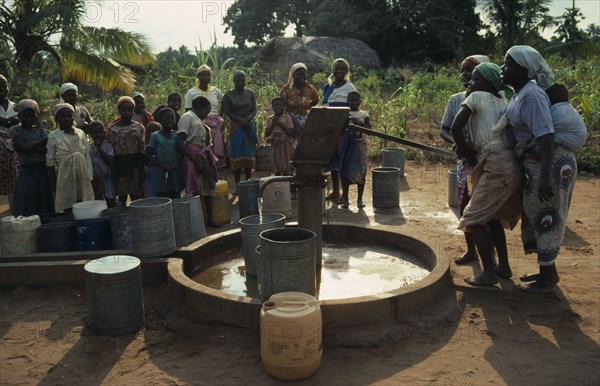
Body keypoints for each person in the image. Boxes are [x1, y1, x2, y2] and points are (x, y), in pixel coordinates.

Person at [501, 45, 575, 293]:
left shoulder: (532, 95)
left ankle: (545, 280)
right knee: (536, 214)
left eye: (508, 64)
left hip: (548, 163)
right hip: (537, 162)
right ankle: (548, 274)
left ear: (525, 70)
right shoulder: (521, 93)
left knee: (547, 215)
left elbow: (546, 136)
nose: (503, 68)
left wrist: (544, 176)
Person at [451, 63, 522, 286]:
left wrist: (465, 154)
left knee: (473, 217)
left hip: (494, 161)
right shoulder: (503, 101)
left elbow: (455, 127)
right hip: (510, 162)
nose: (470, 83)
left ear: (487, 83)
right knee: (491, 217)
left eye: (475, 79)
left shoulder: (475, 97)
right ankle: (504, 266)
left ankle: (489, 272)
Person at [439, 55, 490, 265]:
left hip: (487, 160)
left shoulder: (491, 99)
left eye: (470, 71)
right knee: (465, 204)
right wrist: (457, 143)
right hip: (465, 162)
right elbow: (445, 129)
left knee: (488, 208)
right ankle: (472, 250)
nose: (464, 75)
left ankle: (490, 254)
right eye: (462, 70)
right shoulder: (456, 99)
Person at [177, 95, 219, 226]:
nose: (207, 114)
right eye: (207, 110)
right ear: (200, 108)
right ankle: (196, 222)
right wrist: (194, 159)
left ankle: (209, 220)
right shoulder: (187, 117)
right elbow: (180, 141)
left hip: (202, 154)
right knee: (194, 189)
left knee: (207, 188)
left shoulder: (199, 120)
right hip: (192, 156)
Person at [9, 99, 54, 216]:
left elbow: (44, 150)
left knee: (44, 203)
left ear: (36, 115)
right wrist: (42, 141)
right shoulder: (15, 129)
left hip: (43, 171)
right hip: (26, 172)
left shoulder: (41, 130)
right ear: (19, 116)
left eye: (32, 115)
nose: (29, 119)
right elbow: (23, 146)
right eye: (25, 116)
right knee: (26, 204)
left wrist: (27, 146)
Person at [46, 103, 94, 212]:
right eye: (62, 116)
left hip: (83, 177)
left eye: (70, 115)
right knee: (67, 208)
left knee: (84, 206)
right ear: (57, 119)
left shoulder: (81, 134)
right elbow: (50, 162)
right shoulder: (53, 136)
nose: (67, 119)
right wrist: (53, 185)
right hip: (64, 178)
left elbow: (87, 157)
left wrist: (89, 177)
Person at [321, 58, 357, 201]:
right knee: (333, 162)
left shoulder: (350, 88)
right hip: (329, 130)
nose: (339, 71)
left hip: (344, 131)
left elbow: (354, 109)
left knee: (344, 162)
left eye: (342, 69)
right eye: (337, 68)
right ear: (332, 70)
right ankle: (336, 191)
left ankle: (346, 195)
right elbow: (324, 106)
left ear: (346, 71)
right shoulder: (327, 87)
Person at [185, 65, 226, 169]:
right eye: (202, 75)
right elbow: (188, 110)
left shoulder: (215, 90)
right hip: (199, 123)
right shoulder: (191, 92)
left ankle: (216, 171)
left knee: (216, 147)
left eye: (208, 75)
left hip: (215, 124)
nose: (205, 77)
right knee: (203, 147)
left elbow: (224, 102)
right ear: (198, 77)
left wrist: (220, 116)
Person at [222, 70, 257, 191]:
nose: (240, 83)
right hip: (236, 127)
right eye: (238, 81)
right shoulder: (228, 95)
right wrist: (240, 120)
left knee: (249, 154)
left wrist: (247, 119)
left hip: (248, 126)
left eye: (242, 80)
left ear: (245, 81)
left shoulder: (250, 93)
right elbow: (227, 111)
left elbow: (254, 109)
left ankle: (249, 183)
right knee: (236, 154)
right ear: (234, 81)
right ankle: (238, 186)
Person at [108, 96, 146, 205]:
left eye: (130, 110)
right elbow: (111, 150)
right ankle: (122, 218)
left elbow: (142, 149)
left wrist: (142, 169)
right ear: (119, 111)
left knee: (135, 196)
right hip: (119, 165)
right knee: (121, 196)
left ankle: (136, 217)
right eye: (124, 110)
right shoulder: (112, 129)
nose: (127, 113)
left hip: (134, 165)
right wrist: (113, 170)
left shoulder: (139, 128)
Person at [339, 91, 370, 209]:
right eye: (352, 100)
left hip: (360, 147)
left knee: (361, 173)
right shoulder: (344, 113)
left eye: (357, 100)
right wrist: (346, 121)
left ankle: (359, 199)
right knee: (345, 171)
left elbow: (369, 130)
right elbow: (340, 131)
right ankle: (346, 199)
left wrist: (359, 123)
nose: (354, 102)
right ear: (347, 101)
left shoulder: (364, 114)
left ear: (360, 102)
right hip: (347, 147)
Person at [147, 108, 183, 199]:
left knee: (175, 195)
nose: (169, 120)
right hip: (160, 171)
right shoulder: (155, 136)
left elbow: (182, 153)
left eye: (172, 118)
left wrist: (176, 164)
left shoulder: (176, 135)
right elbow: (149, 154)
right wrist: (163, 165)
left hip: (175, 171)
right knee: (162, 196)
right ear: (160, 120)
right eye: (166, 118)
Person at [545, 83, 588, 153]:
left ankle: (543, 157)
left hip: (571, 139)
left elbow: (543, 129)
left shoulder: (555, 111)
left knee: (545, 138)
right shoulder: (568, 107)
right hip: (580, 138)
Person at [278, 62, 319, 132]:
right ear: (293, 75)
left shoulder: (310, 88)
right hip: (290, 119)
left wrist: (308, 107)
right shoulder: (287, 88)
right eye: (298, 75)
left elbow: (316, 99)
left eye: (303, 74)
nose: (301, 77)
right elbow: (280, 103)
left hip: (305, 118)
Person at [265, 97, 296, 176]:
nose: (278, 107)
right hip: (275, 146)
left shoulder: (287, 118)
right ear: (272, 107)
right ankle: (278, 185)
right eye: (275, 105)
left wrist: (280, 123)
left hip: (286, 146)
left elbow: (291, 133)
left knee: (286, 167)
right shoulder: (269, 119)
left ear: (284, 106)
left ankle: (287, 186)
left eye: (280, 105)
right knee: (277, 167)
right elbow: (267, 133)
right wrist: (273, 123)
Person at [0, 75, 19, 206]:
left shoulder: (16, 107)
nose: (2, 89)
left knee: (17, 186)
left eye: (4, 86)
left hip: (16, 156)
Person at [88, 121, 115, 207]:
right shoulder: (88, 147)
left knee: (110, 200)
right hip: (94, 179)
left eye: (101, 132)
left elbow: (110, 161)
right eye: (95, 133)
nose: (98, 135)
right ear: (90, 134)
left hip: (107, 178)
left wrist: (100, 149)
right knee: (97, 201)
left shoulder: (108, 146)